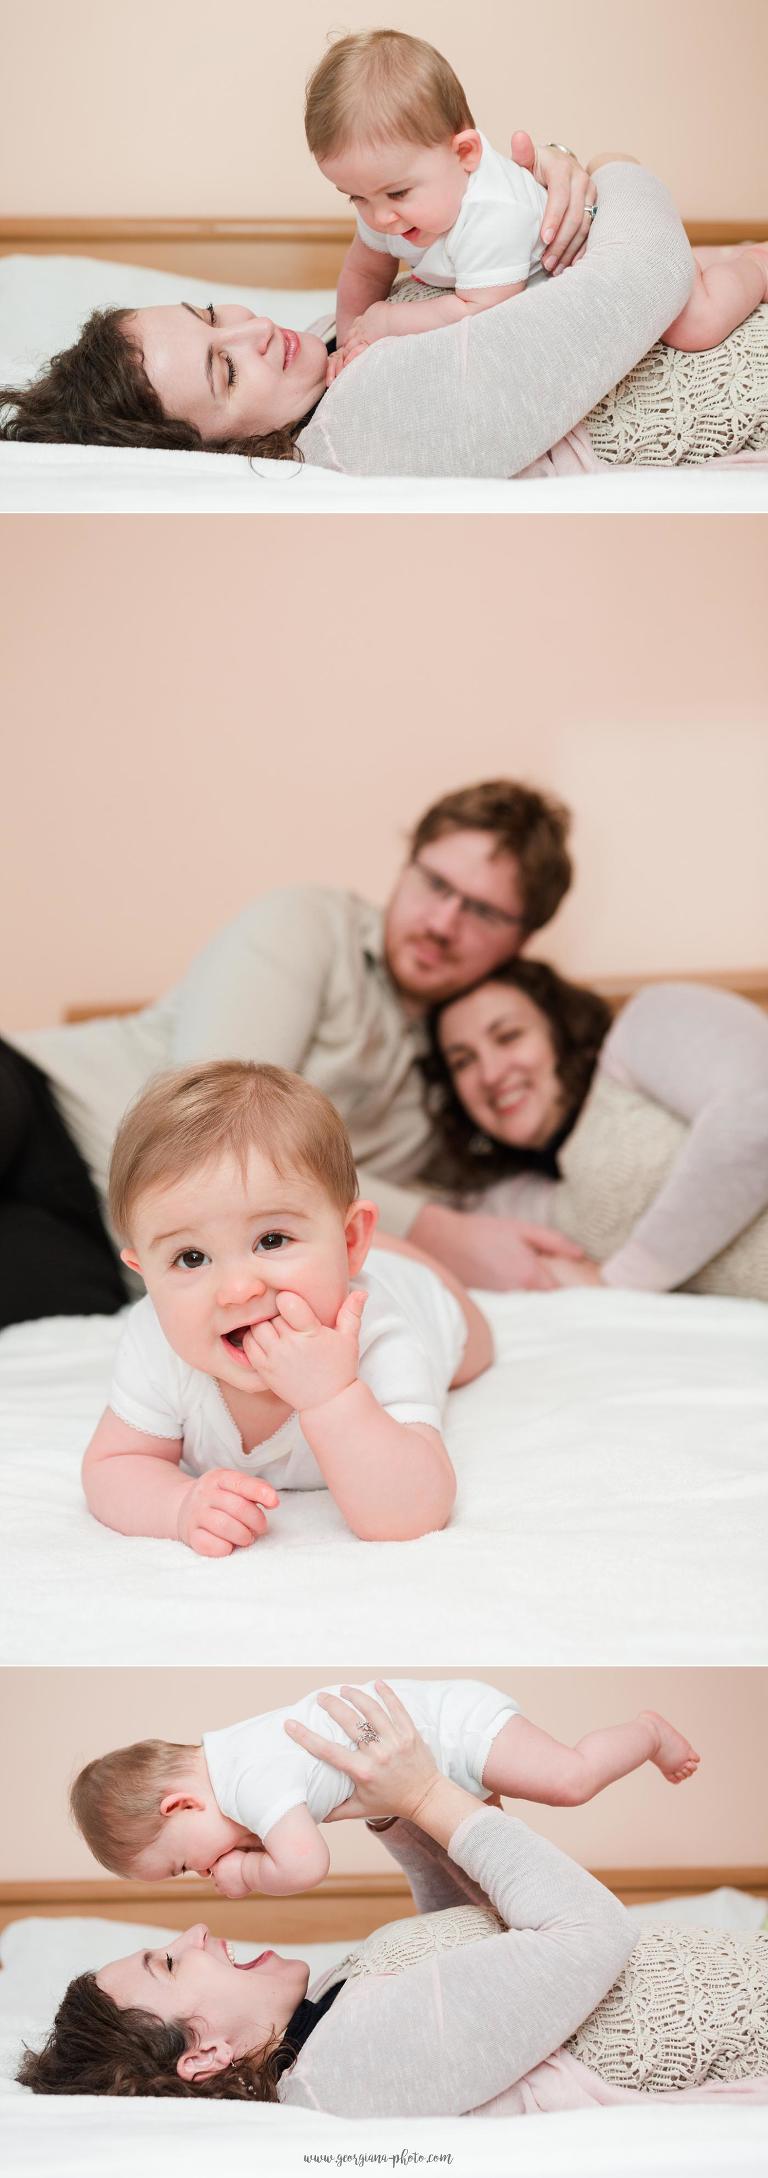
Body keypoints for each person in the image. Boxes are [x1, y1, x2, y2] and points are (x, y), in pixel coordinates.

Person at [4, 779, 584, 1327]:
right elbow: (218, 1119)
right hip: (43, 1103)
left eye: (483, 912)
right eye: (435, 884)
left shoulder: (470, 1074)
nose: (442, 923)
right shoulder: (308, 924)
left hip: (108, 1244)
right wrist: (438, 1230)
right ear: (407, 866)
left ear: (522, 938)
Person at [19, 1686, 768, 2107]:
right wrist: (426, 1791)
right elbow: (586, 1934)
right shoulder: (344, 2069)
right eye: (171, 1965)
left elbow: (480, 1949)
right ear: (205, 2053)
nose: (195, 1930)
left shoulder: (326, 2025)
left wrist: (392, 1810)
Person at [82, 1060, 491, 1554]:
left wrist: (332, 1398)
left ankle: (394, 1255)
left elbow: (413, 1512)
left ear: (349, 1239)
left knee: (477, 1350)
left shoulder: (377, 1332)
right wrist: (177, 1505)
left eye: (271, 1239)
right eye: (191, 1258)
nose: (236, 1289)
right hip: (344, 1257)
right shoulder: (157, 1339)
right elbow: (113, 1465)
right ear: (144, 1274)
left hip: (423, 1296)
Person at [306, 30, 768, 371]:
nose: (379, 216)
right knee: (688, 266)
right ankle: (726, 254)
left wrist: (387, 322)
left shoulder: (492, 215)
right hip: (596, 256)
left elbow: (479, 310)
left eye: (398, 193)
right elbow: (363, 272)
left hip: (605, 232)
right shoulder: (384, 206)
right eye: (356, 198)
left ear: (465, 153)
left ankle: (758, 267)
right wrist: (350, 342)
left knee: (693, 323)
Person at [70, 1677, 699, 1900]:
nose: (206, 1870)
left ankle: (646, 1733)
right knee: (487, 1883)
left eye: (184, 1863)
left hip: (453, 1730)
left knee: (569, 1780)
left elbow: (307, 1865)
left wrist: (248, 1878)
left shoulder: (247, 1782)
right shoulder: (229, 1759)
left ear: (182, 1804)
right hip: (427, 1765)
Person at [425, 963, 768, 1294]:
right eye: (463, 1062)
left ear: (559, 1031)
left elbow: (756, 1115)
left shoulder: (644, 1025)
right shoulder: (518, 1198)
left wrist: (620, 1283)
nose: (490, 1074)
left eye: (508, 1036)